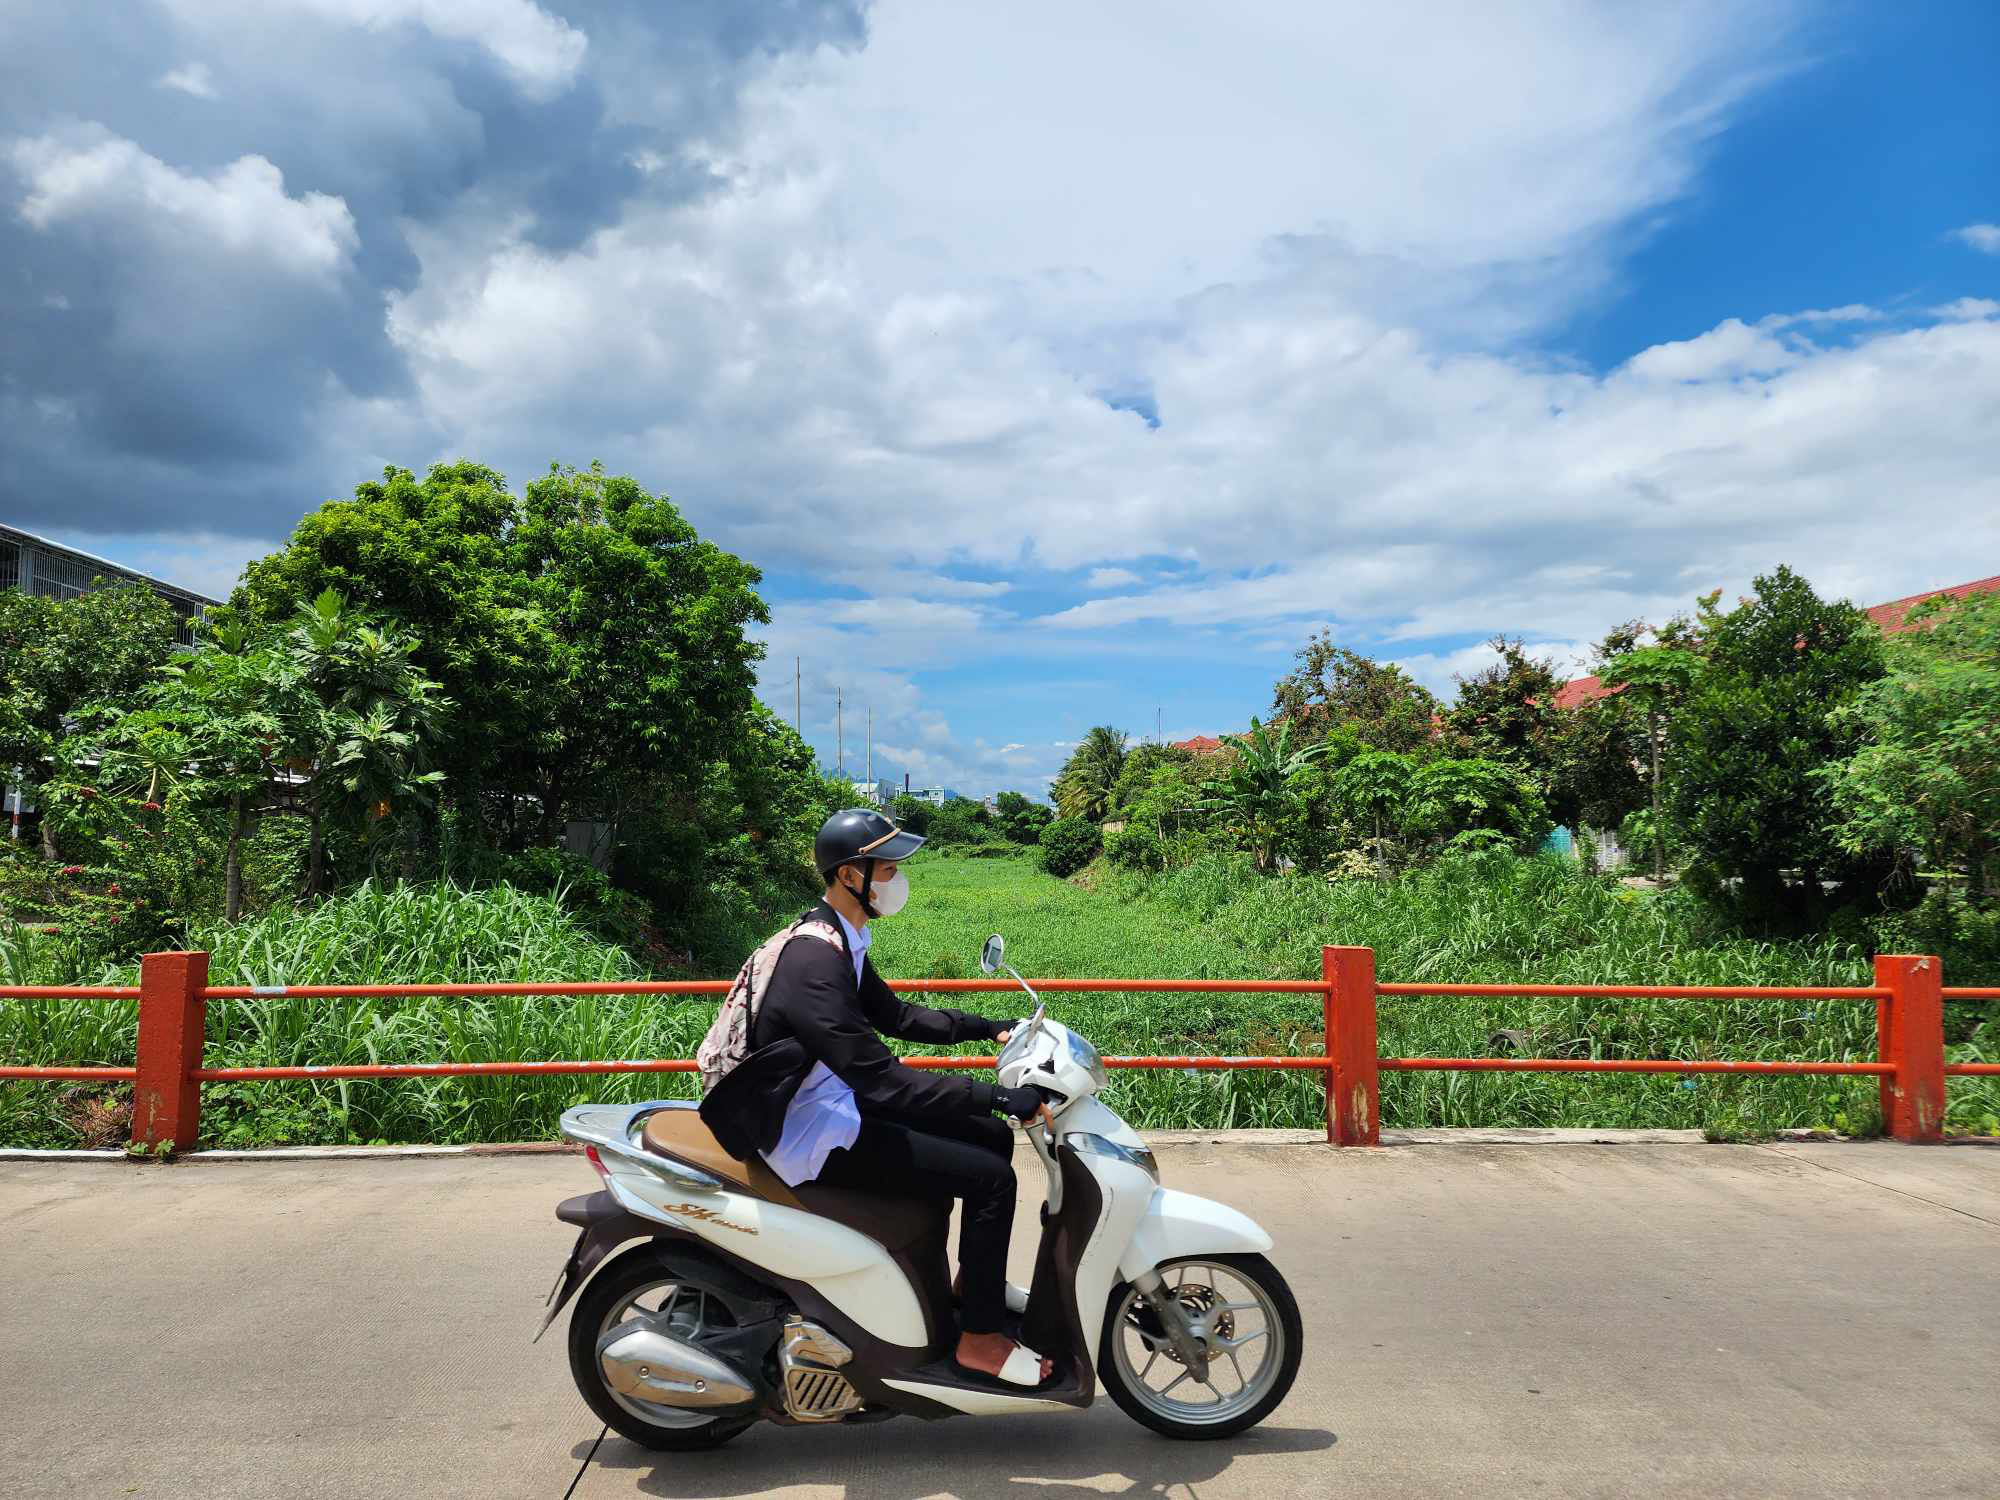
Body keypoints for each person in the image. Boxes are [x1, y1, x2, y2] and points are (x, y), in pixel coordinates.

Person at [707, 808, 1053, 1387]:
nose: (898, 880)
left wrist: (986, 1026)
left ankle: (974, 1287)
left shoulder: (840, 935)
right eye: (888, 868)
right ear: (850, 875)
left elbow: (893, 1014)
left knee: (989, 1139)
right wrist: (993, 1094)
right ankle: (980, 1343)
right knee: (989, 1177)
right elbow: (882, 1081)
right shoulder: (814, 962)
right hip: (809, 1132)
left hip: (828, 1098)